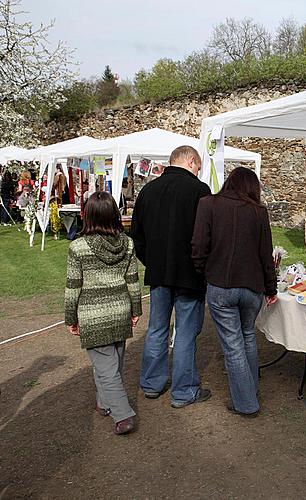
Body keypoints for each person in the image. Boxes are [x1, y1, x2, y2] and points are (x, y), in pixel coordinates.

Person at [192, 168, 278, 417]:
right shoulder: (258, 212)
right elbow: (266, 255)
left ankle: (247, 402)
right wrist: (270, 287)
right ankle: (249, 392)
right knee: (247, 337)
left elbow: (198, 246)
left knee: (234, 345)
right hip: (250, 286)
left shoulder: (209, 204)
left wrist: (205, 272)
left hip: (223, 286)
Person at [131, 145, 212, 408]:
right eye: (198, 167)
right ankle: (184, 390)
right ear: (190, 161)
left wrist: (152, 262)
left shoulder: (148, 191)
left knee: (157, 330)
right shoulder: (199, 191)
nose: (199, 172)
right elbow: (207, 237)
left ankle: (152, 383)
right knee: (185, 333)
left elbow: (137, 236)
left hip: (160, 273)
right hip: (190, 274)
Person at [64, 191, 142, 435]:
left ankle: (123, 415)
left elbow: (73, 286)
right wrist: (135, 308)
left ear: (87, 215)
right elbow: (133, 281)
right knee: (112, 362)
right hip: (119, 309)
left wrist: (70, 318)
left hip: (93, 314)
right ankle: (104, 402)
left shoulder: (78, 247)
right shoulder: (127, 243)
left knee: (108, 366)